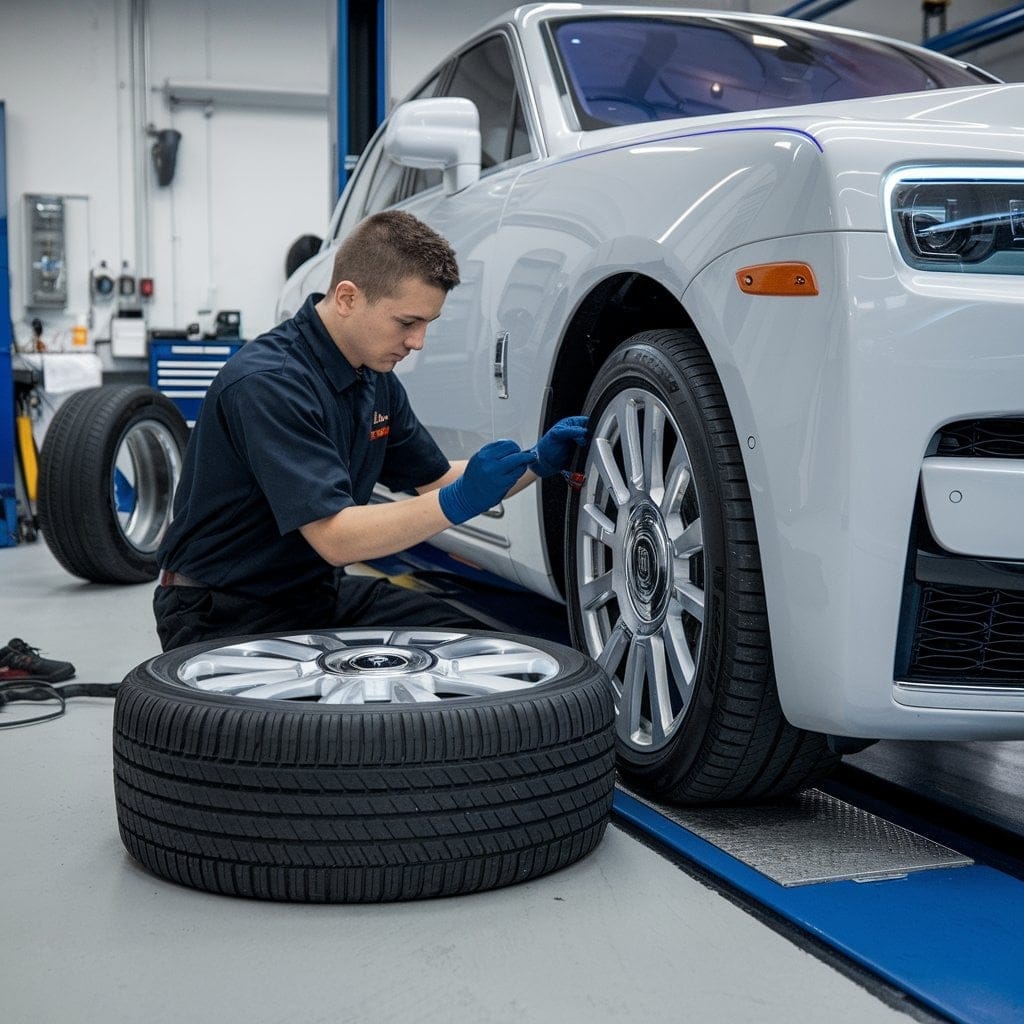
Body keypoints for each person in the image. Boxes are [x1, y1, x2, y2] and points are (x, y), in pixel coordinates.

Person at [153, 210, 588, 651]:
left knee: (480, 649)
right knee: (347, 719)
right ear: (347, 298)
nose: (418, 342)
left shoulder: (373, 379)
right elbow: (337, 538)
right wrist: (460, 501)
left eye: (427, 325)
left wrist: (537, 462)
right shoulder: (269, 383)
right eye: (406, 322)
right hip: (221, 612)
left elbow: (437, 482)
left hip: (312, 596)